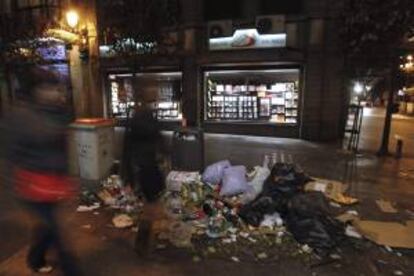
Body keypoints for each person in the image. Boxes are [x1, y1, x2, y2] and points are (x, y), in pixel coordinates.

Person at [2, 66, 81, 275]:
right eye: (49, 88)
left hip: (54, 183)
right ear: (36, 90)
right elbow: (10, 155)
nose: (56, 93)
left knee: (47, 227)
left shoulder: (58, 113)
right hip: (32, 186)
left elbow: (62, 150)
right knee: (56, 230)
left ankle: (35, 259)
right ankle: (72, 269)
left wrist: (68, 180)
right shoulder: (20, 116)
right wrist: (13, 189)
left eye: (57, 88)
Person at [125, 79, 167, 256]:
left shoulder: (145, 112)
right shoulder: (141, 115)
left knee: (153, 204)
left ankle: (146, 240)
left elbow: (155, 137)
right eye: (152, 87)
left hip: (149, 165)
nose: (156, 90)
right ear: (144, 92)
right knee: (152, 205)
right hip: (145, 166)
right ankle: (142, 243)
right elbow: (131, 145)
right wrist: (130, 174)